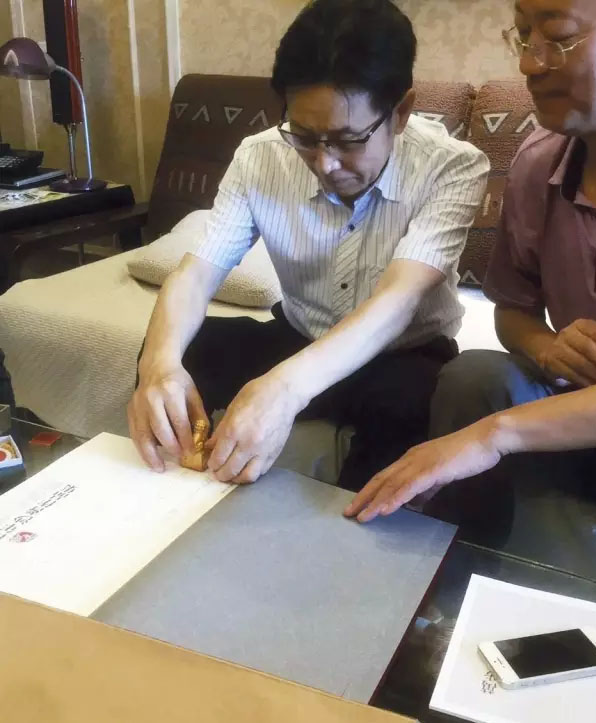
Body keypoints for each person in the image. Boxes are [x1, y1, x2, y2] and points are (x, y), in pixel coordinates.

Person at [128, 0, 489, 491]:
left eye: (348, 139)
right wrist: (159, 365)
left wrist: (284, 389)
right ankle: (168, 500)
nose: (325, 163)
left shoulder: (452, 166)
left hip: (403, 354)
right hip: (299, 334)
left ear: (400, 112)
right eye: (304, 135)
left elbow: (396, 302)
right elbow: (196, 274)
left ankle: (347, 530)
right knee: (177, 353)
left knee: (415, 405)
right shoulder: (259, 157)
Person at [346, 0, 596, 579]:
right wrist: (547, 348)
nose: (529, 63)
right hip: (571, 416)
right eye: (524, 35)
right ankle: (451, 585)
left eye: (559, 37)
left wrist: (493, 436)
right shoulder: (536, 164)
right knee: (474, 376)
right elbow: (512, 311)